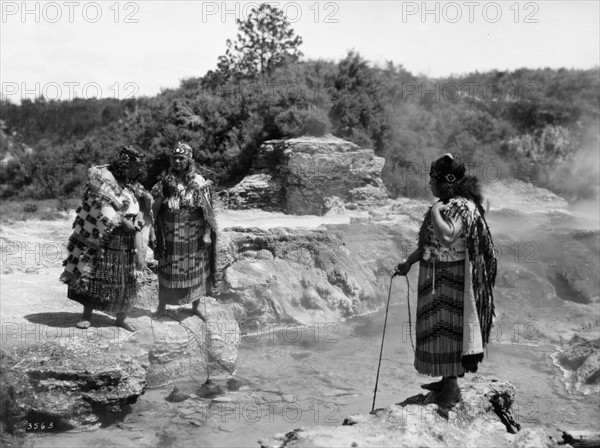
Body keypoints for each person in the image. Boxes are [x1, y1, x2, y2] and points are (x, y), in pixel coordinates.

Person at [395, 153, 497, 408]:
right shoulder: (447, 204)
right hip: (437, 277)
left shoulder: (461, 206)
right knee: (439, 330)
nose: (429, 184)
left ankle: (451, 388)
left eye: (432, 179)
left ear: (446, 181)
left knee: (451, 332)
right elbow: (429, 243)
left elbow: (448, 236)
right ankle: (445, 380)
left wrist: (435, 212)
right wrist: (409, 262)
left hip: (453, 280)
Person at [61, 145, 150, 332]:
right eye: (136, 166)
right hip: (103, 235)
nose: (139, 170)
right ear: (125, 164)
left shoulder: (132, 184)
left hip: (127, 238)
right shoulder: (103, 179)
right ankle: (87, 316)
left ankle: (121, 318)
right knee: (94, 274)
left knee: (125, 279)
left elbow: (139, 206)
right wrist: (127, 224)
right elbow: (104, 210)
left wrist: (139, 218)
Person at [151, 142, 217, 320]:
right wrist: (152, 230)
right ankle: (162, 307)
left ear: (189, 160)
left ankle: (195, 306)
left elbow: (208, 212)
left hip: (194, 234)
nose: (178, 161)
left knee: (196, 270)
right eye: (175, 158)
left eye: (182, 158)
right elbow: (155, 209)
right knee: (167, 269)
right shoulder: (165, 183)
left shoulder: (199, 182)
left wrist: (206, 234)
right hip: (169, 234)